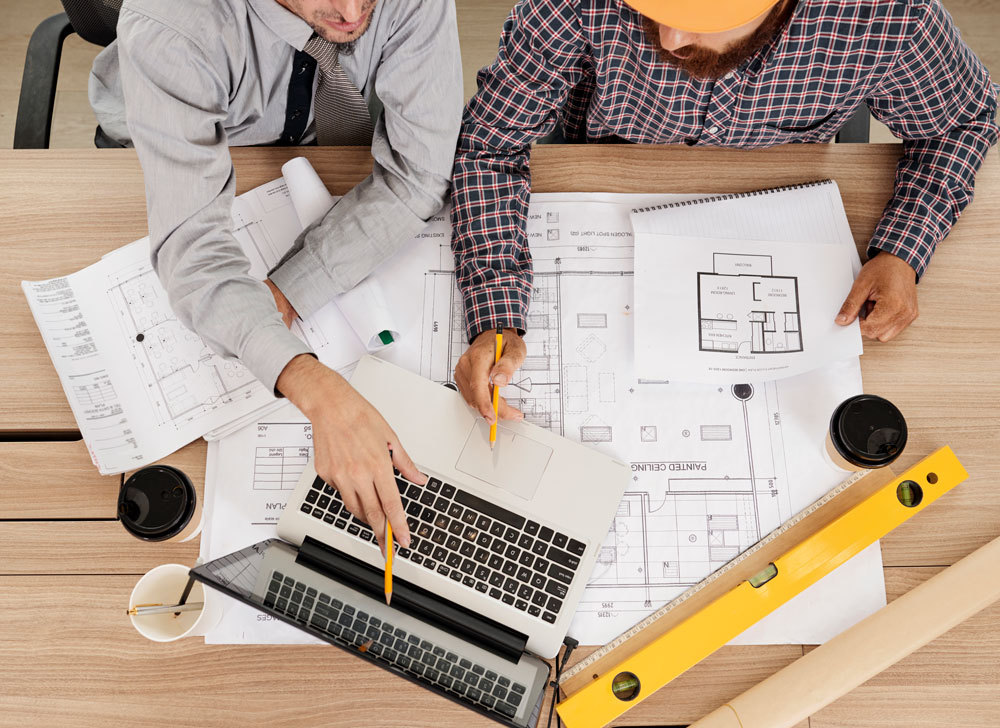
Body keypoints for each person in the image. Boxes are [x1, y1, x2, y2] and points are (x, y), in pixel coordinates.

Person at [449, 0, 998, 426]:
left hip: (784, 202)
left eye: (699, 18)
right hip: (609, 175)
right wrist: (497, 314)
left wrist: (904, 246)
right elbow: (488, 146)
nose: (668, 37)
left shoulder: (885, 15)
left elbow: (965, 120)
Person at [89, 0, 464, 550]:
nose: (352, 11)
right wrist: (315, 388)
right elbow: (192, 249)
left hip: (322, 142)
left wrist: (292, 284)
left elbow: (417, 177)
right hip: (180, 137)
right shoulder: (170, 23)